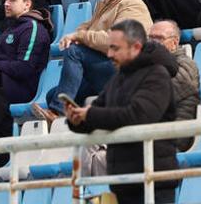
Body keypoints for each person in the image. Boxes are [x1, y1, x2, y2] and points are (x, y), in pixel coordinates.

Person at [66, 19, 178, 204]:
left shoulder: (157, 75)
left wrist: (89, 115)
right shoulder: (118, 79)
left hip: (153, 179)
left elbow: (138, 115)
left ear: (135, 47)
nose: (109, 54)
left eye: (115, 48)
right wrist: (77, 119)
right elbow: (97, 112)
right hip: (125, 181)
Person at [36, 0, 152, 121]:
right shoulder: (108, 3)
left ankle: (57, 113)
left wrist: (80, 38)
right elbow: (85, 27)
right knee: (53, 95)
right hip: (106, 69)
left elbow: (116, 42)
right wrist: (79, 36)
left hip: (125, 74)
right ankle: (74, 124)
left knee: (74, 52)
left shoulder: (131, 5)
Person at [0, 0, 51, 104]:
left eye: (12, 0)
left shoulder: (33, 28)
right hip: (2, 81)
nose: (6, 4)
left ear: (27, 4)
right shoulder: (11, 27)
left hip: (21, 89)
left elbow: (25, 68)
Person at [149, 19, 200, 147]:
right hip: (151, 133)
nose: (153, 43)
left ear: (175, 42)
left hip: (173, 137)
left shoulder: (186, 65)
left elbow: (158, 95)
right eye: (151, 38)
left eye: (159, 38)